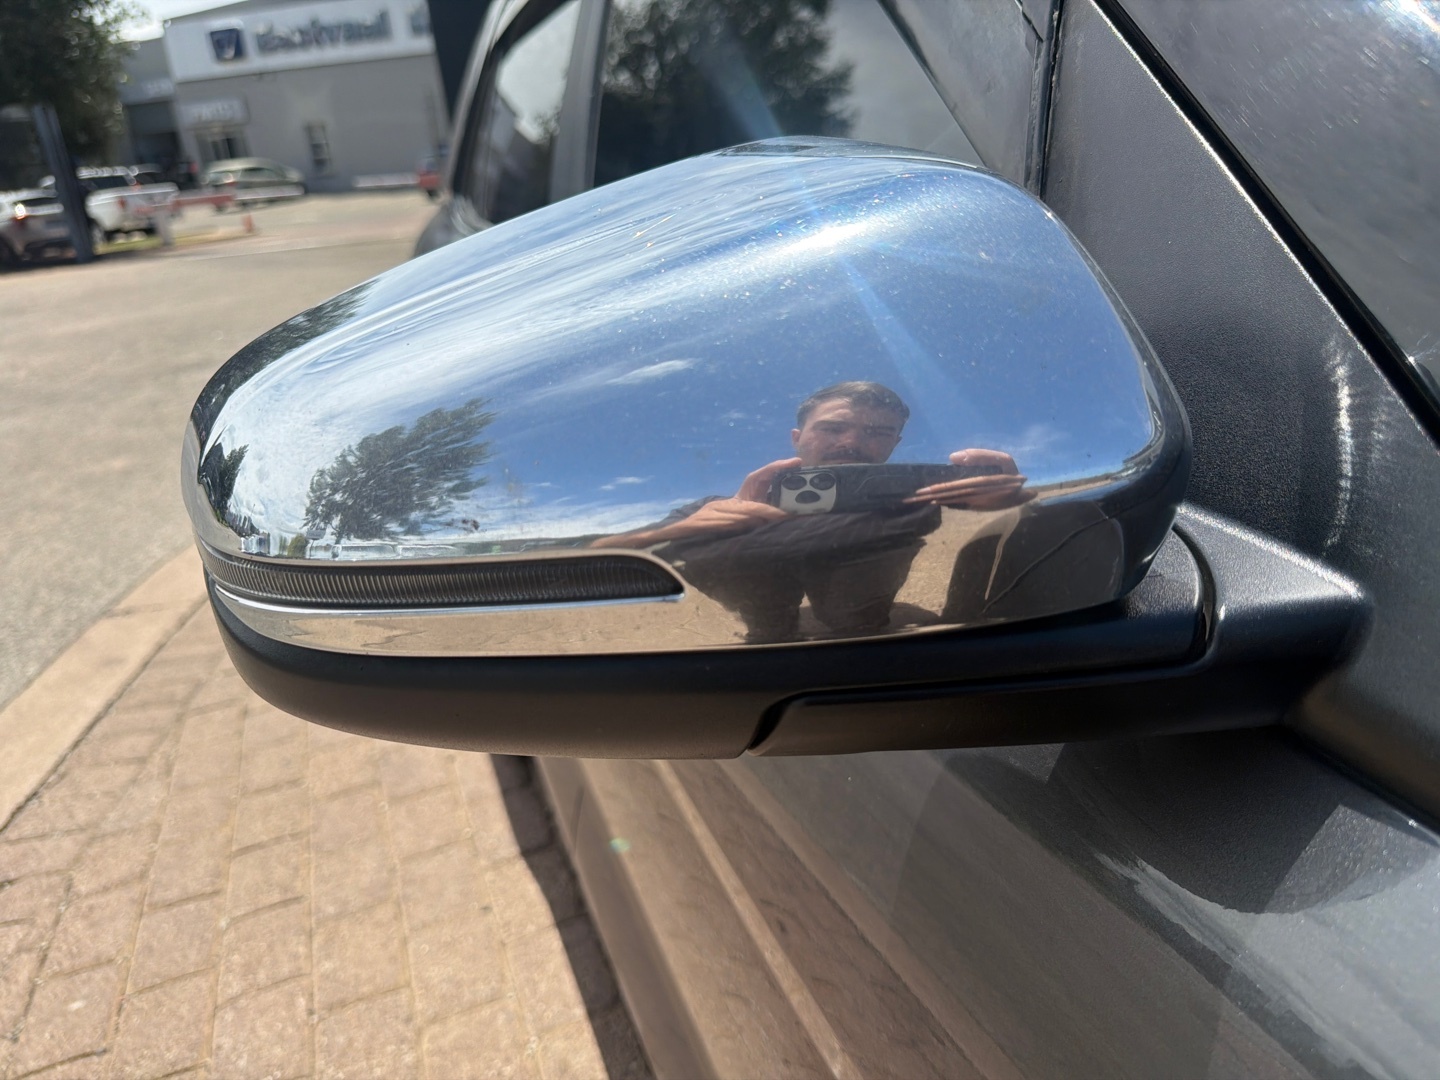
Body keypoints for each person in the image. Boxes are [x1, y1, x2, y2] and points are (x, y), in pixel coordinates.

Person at [593, 382, 1028, 642]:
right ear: (797, 438)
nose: (851, 442)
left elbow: (1006, 540)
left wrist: (1012, 504)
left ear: (895, 444)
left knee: (857, 619)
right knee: (765, 620)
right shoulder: (723, 506)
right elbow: (602, 552)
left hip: (872, 643)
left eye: (877, 432)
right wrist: (684, 529)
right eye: (833, 428)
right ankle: (770, 626)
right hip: (762, 650)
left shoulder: (913, 498)